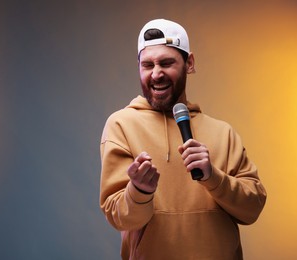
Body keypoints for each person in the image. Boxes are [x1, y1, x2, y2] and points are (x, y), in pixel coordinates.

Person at [99, 18, 267, 259]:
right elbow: (118, 217)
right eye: (147, 65)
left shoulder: (223, 133)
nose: (156, 74)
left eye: (166, 63)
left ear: (189, 63)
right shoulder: (121, 126)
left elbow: (252, 210)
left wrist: (213, 177)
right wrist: (139, 191)